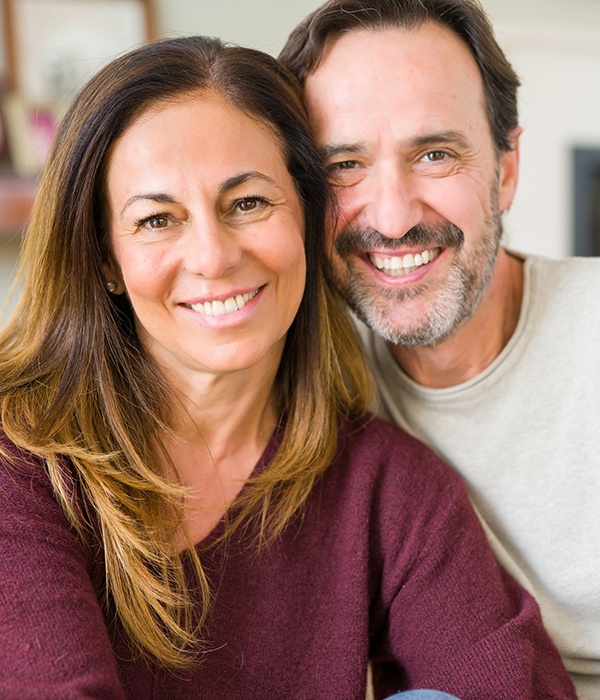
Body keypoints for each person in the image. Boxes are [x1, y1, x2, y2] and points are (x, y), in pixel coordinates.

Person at [0, 35, 575, 700]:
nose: (213, 258)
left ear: (308, 216)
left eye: (247, 203)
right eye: (158, 219)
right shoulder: (25, 464)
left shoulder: (387, 486)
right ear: (106, 260)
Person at [279, 0, 600, 697]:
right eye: (344, 166)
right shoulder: (311, 383)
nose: (392, 216)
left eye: (434, 154)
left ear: (506, 169)